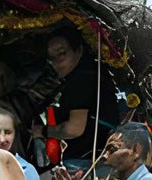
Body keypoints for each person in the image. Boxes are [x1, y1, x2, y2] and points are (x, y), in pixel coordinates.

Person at [32, 28, 121, 164]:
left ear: (78, 50)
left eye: (62, 53)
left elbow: (73, 129)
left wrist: (42, 131)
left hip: (88, 159)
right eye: (52, 58)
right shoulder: (90, 73)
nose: (56, 62)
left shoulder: (80, 80)